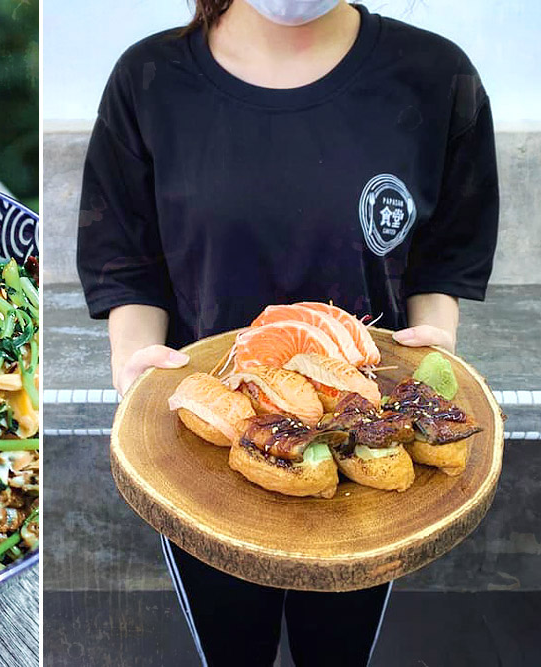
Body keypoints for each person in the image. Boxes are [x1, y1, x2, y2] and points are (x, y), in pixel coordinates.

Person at [75, 0, 499, 665]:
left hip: (366, 460)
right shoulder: (150, 79)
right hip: (211, 457)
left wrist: (435, 339)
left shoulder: (437, 76)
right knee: (230, 648)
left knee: (338, 650)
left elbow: (445, 254)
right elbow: (125, 257)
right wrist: (134, 366)